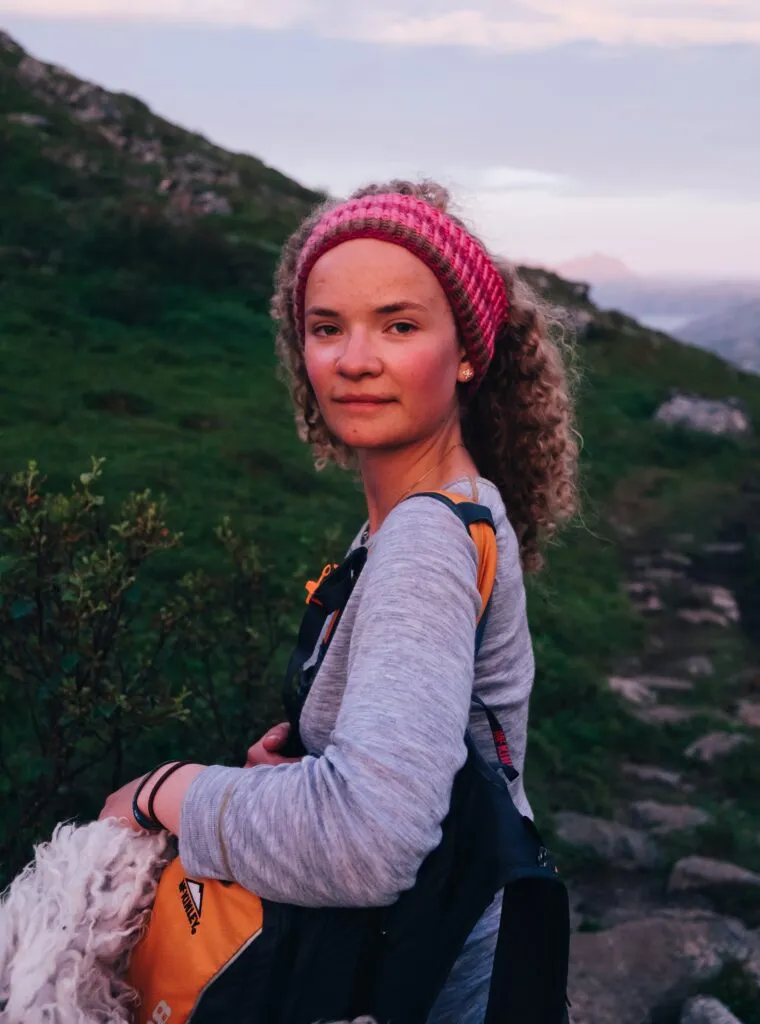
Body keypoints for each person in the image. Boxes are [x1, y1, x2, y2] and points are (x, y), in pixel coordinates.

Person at [100, 179, 578, 1023]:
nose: (354, 360)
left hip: (423, 981)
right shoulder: (448, 507)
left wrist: (165, 790)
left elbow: (368, 843)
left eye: (398, 325)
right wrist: (308, 770)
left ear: (466, 351)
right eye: (327, 328)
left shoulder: (424, 542)